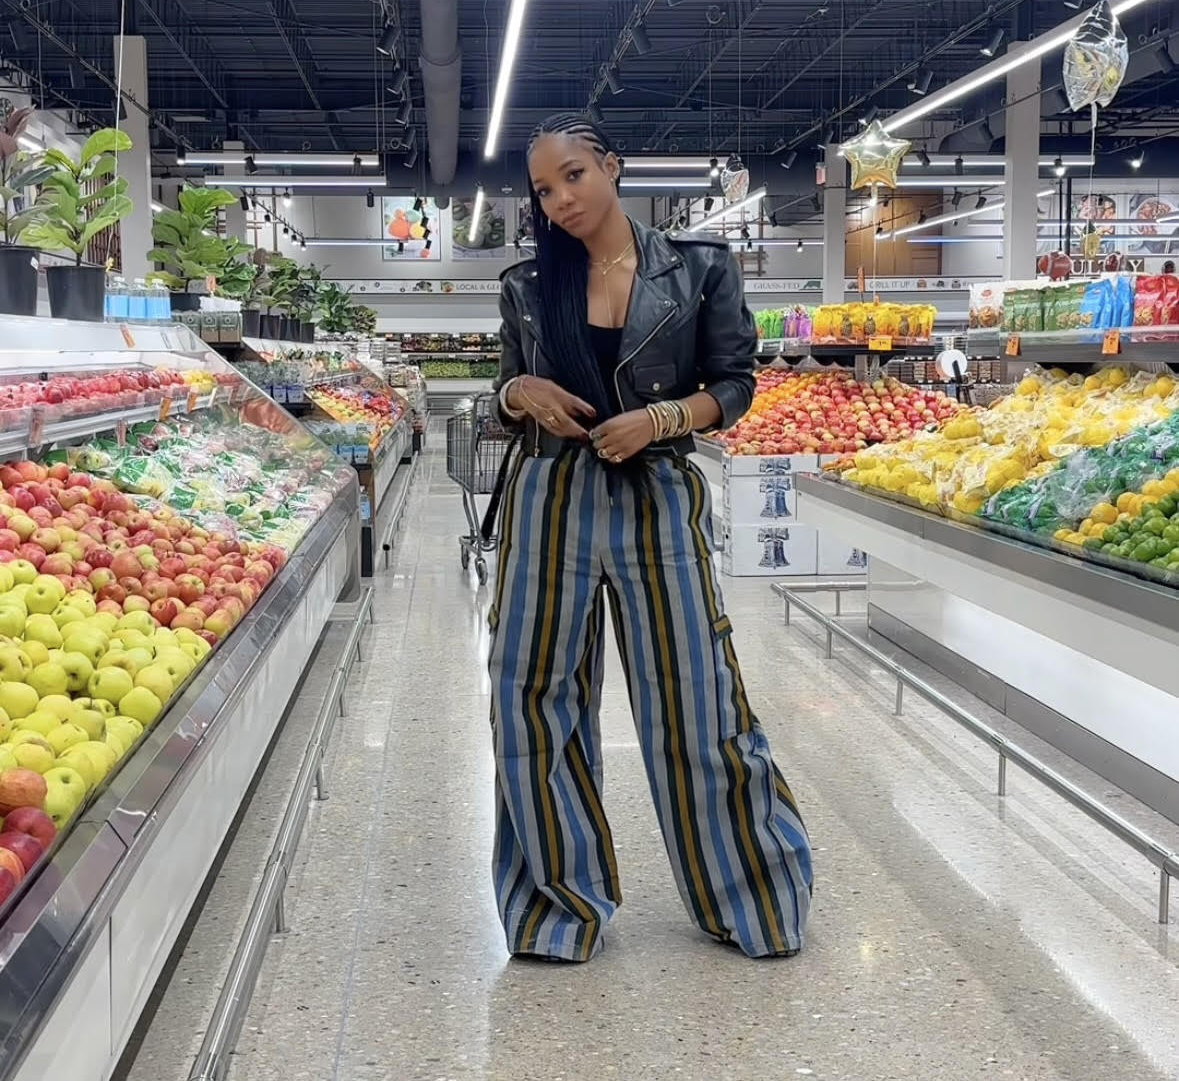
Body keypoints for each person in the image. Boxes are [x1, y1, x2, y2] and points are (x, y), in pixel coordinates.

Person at [486, 112, 813, 964]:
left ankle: (753, 897)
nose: (559, 199)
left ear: (612, 167)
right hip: (549, 494)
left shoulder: (698, 269)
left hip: (656, 491)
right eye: (543, 189)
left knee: (696, 697)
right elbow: (503, 387)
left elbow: (734, 385)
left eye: (573, 175)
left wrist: (661, 418)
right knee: (530, 698)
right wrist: (521, 393)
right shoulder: (527, 284)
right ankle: (555, 908)